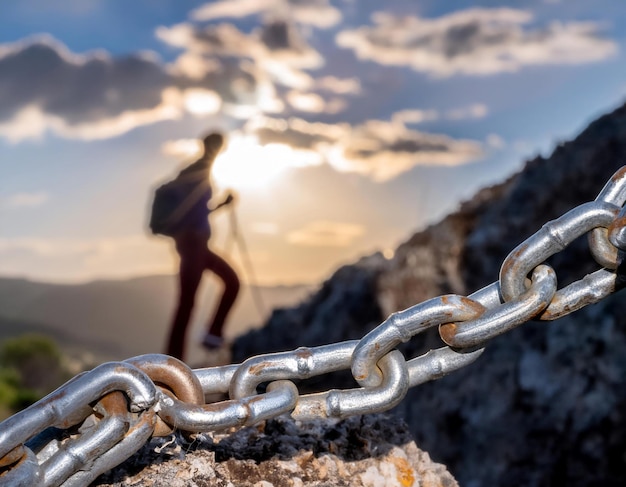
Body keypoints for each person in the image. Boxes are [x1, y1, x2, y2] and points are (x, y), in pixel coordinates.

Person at [165, 131, 240, 361]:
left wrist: (219, 206)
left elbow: (196, 211)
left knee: (227, 284)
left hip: (195, 246)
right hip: (192, 245)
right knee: (189, 301)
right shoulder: (196, 172)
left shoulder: (196, 172)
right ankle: (174, 360)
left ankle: (206, 339)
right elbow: (190, 212)